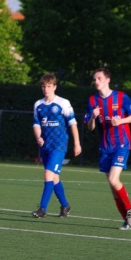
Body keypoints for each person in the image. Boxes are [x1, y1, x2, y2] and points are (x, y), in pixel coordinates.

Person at [83, 68, 131, 230]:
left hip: (122, 144)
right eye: (94, 79)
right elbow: (90, 128)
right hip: (105, 146)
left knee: (114, 179)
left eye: (99, 78)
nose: (96, 81)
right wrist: (93, 116)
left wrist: (120, 121)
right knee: (112, 186)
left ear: (107, 80)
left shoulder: (121, 97)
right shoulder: (93, 101)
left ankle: (130, 211)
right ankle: (126, 221)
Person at [31, 73, 82, 218]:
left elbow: (73, 124)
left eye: (48, 86)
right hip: (45, 146)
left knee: (48, 174)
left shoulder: (63, 103)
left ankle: (42, 209)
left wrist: (77, 144)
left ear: (54, 87)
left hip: (59, 146)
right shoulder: (38, 104)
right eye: (43, 86)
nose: (46, 89)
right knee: (54, 178)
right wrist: (38, 137)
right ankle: (65, 206)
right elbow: (36, 124)